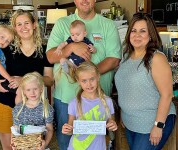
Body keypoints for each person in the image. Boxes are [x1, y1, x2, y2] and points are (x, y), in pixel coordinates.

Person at [46, 0, 121, 149]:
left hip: (99, 100)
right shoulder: (62, 23)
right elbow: (50, 56)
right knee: (68, 143)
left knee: (98, 144)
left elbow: (114, 59)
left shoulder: (108, 25)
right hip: (67, 100)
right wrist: (72, 47)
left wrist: (86, 77)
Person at [0, 9, 53, 150]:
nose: (23, 27)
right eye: (19, 24)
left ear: (34, 24)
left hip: (33, 108)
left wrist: (24, 80)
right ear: (15, 28)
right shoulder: (6, 49)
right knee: (10, 148)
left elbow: (49, 80)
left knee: (31, 146)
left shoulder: (44, 51)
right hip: (4, 104)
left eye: (27, 23)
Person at [114, 12, 176, 149]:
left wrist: (158, 125)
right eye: (134, 31)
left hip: (152, 121)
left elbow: (167, 95)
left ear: (150, 35)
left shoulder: (156, 59)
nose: (137, 35)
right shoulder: (125, 57)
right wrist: (124, 115)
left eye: (143, 31)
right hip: (130, 121)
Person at [62, 61, 118, 149]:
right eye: (84, 81)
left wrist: (112, 126)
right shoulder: (74, 103)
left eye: (92, 79)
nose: (89, 84)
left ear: (98, 77)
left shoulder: (108, 102)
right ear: (78, 81)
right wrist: (67, 130)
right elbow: (71, 130)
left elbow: (111, 128)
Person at [12, 72, 54, 149]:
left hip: (39, 147)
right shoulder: (18, 109)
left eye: (35, 89)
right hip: (22, 146)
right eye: (28, 90)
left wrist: (45, 144)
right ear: (24, 91)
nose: (32, 92)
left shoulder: (47, 108)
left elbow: (50, 129)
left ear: (41, 88)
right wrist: (14, 143)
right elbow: (15, 129)